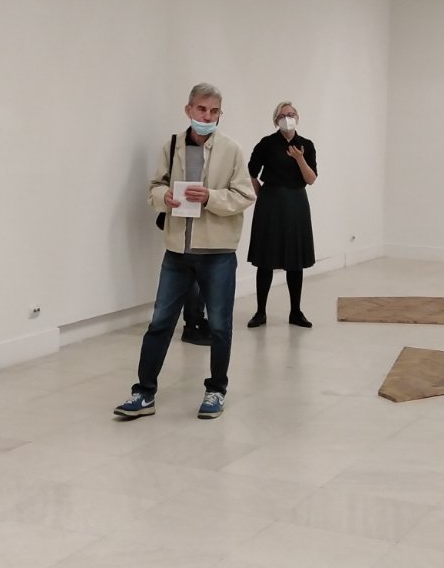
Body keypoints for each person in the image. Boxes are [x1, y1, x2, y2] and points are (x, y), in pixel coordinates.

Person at [115, 83, 256, 420]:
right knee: (160, 322)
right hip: (177, 252)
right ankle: (143, 393)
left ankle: (216, 390)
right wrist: (163, 197)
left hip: (218, 253)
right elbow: (154, 188)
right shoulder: (172, 146)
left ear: (220, 114)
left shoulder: (232, 150)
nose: (207, 117)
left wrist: (211, 198)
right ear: (188, 109)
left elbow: (245, 195)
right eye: (201, 109)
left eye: (214, 111)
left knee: (219, 326)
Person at [246, 101, 317, 328]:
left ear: (298, 117)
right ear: (276, 120)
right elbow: (251, 171)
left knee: (295, 260)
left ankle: (296, 311)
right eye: (283, 115)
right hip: (271, 202)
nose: (288, 118)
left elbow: (311, 179)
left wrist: (299, 158)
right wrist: (261, 192)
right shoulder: (267, 143)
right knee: (265, 258)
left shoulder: (306, 145)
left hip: (297, 202)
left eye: (292, 114)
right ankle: (260, 312)